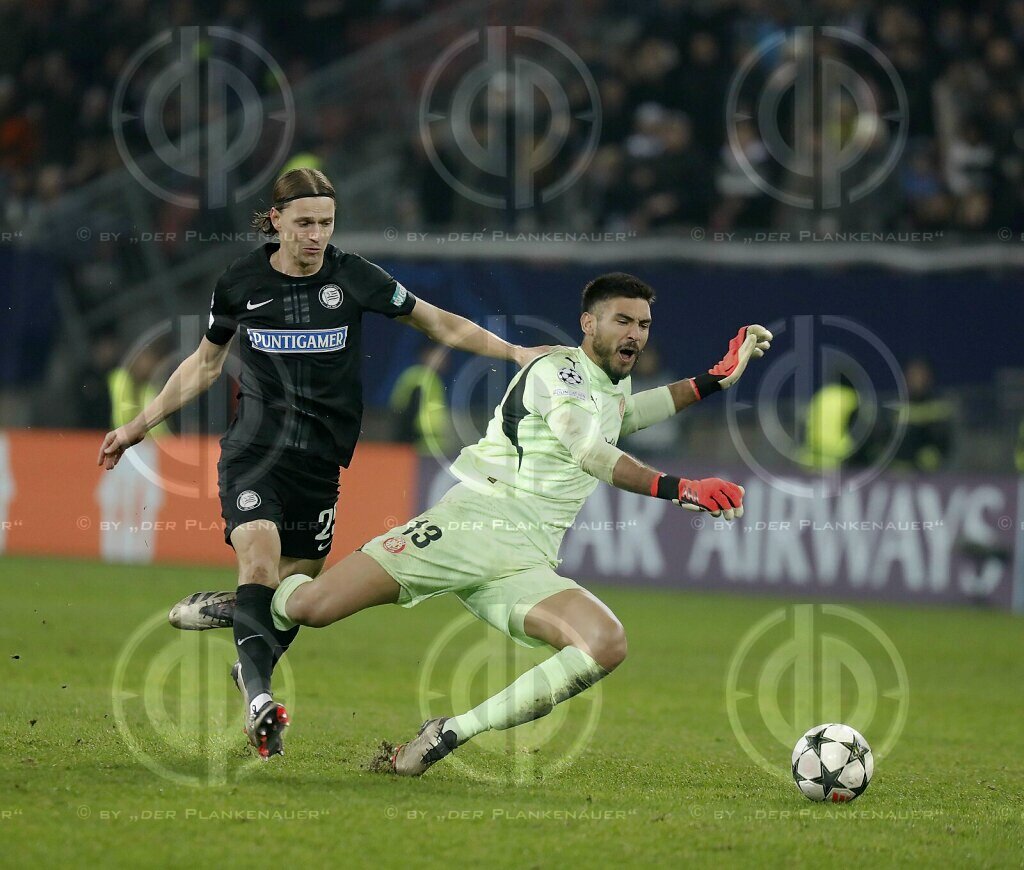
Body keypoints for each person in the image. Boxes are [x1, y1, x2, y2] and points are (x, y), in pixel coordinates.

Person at [170, 272, 771, 774]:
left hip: (527, 559)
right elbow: (591, 450)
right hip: (472, 527)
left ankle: (448, 734)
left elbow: (626, 415)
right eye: (622, 321)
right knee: (312, 609)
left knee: (605, 643)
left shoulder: (609, 385)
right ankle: (252, 602)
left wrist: (715, 380)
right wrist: (680, 488)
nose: (634, 334)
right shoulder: (557, 374)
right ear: (588, 323)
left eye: (642, 324)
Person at [97, 168, 547, 759]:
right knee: (258, 561)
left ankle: (243, 627)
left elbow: (435, 320)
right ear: (276, 220)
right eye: (304, 223)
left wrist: (515, 351)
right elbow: (205, 365)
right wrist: (136, 427)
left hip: (321, 462)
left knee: (300, 593)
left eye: (326, 224)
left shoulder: (354, 277)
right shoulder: (240, 282)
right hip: (254, 452)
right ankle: (260, 698)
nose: (315, 235)